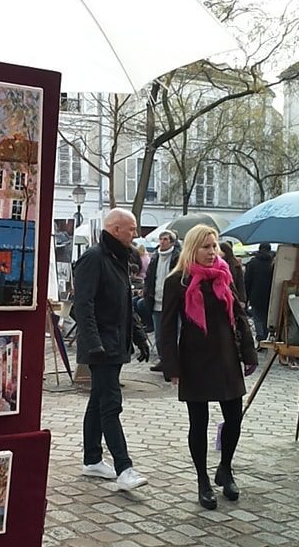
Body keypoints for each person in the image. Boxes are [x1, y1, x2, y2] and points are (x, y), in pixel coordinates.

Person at [161, 225, 257, 510]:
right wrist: (171, 366)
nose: (212, 252)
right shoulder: (177, 281)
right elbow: (166, 327)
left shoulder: (225, 276)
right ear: (193, 248)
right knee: (198, 422)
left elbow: (239, 316)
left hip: (227, 357)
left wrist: (249, 353)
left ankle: (225, 468)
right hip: (195, 359)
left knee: (234, 418)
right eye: (206, 247)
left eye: (214, 246)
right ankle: (202, 479)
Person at [73, 208, 150, 491]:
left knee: (98, 401)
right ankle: (124, 467)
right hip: (102, 346)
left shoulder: (118, 259)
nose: (135, 234)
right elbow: (83, 305)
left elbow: (124, 304)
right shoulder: (94, 258)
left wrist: (139, 336)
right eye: (131, 229)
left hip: (115, 343)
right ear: (116, 229)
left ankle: (92, 459)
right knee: (110, 404)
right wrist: (94, 344)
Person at [140, 229, 181, 372]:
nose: (162, 242)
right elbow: (149, 277)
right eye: (161, 239)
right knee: (159, 335)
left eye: (165, 239)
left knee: (174, 333)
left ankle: (175, 362)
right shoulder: (155, 257)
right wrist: (147, 292)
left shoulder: (177, 257)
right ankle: (163, 360)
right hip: (156, 300)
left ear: (172, 242)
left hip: (172, 302)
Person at [244, 242, 274, 348]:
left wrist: (246, 298)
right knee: (266, 316)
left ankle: (260, 337)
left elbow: (247, 281)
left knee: (257, 317)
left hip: (255, 294)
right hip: (270, 295)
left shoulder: (252, 263)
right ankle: (265, 336)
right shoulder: (273, 263)